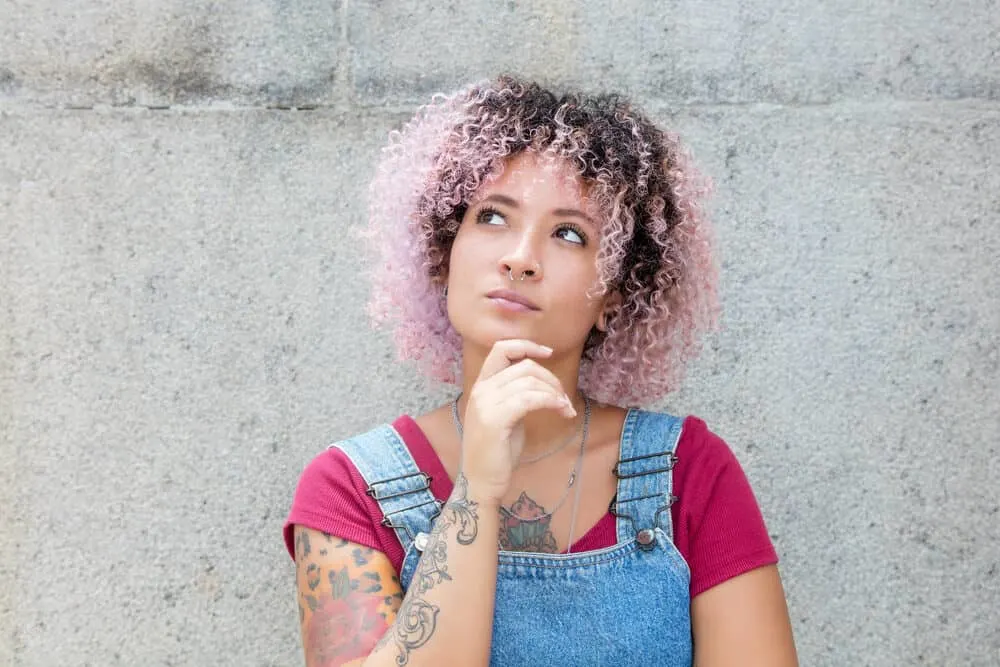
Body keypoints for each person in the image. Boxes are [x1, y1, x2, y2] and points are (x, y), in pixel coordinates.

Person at [284, 74, 798, 667]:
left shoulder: (690, 473)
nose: (521, 258)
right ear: (444, 251)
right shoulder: (349, 487)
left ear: (615, 294)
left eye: (569, 234)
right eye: (493, 218)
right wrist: (476, 488)